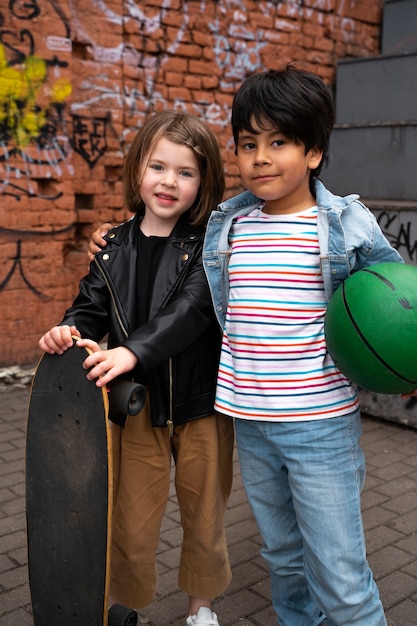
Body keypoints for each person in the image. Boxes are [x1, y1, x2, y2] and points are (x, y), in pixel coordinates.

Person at [88, 68, 404, 625]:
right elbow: (166, 238)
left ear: (314, 152)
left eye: (279, 142)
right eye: (248, 144)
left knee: (339, 573)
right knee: (283, 561)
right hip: (249, 421)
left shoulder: (343, 221)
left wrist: (406, 364)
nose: (260, 157)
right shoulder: (227, 225)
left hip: (320, 425)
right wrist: (116, 236)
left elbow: (399, 305)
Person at [39, 110, 234, 626]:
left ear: (204, 180)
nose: (169, 182)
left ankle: (201, 610)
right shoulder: (113, 246)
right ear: (137, 171)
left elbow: (192, 310)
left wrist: (131, 351)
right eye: (158, 167)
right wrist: (69, 330)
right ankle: (124, 608)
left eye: (185, 172)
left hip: (201, 404)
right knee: (129, 520)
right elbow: (89, 307)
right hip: (135, 408)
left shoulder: (211, 246)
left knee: (204, 515)